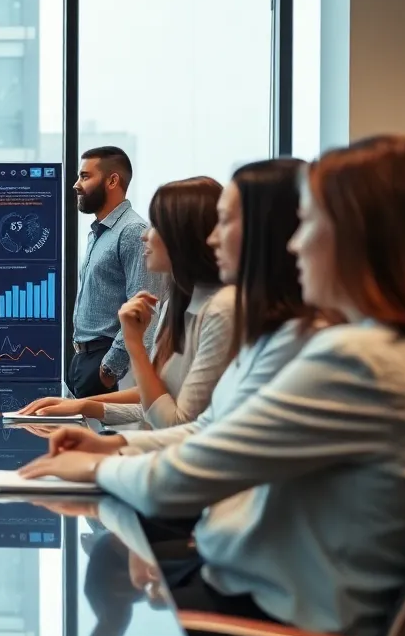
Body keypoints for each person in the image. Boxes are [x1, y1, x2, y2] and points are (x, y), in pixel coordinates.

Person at [22, 136, 405, 636]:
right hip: (271, 602)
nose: (294, 243)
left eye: (309, 223)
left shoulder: (360, 360)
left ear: (358, 237)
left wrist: (96, 464)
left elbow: (182, 479)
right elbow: (211, 429)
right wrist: (112, 443)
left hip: (277, 633)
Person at [35, 158, 326, 459]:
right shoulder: (179, 302)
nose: (146, 235)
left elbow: (182, 424)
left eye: (225, 221)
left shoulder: (226, 311)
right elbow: (175, 410)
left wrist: (131, 347)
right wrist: (86, 409)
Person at [22, 177, 232, 430]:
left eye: (156, 226)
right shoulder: (174, 305)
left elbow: (175, 421)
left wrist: (133, 345)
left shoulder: (220, 313)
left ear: (183, 236)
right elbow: (155, 400)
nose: (145, 235)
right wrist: (82, 405)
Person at [68, 146, 166, 397]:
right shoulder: (100, 233)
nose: (76, 185)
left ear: (113, 180)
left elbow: (144, 309)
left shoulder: (132, 232)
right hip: (85, 359)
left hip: (109, 363)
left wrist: (109, 369)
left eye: (85, 176)